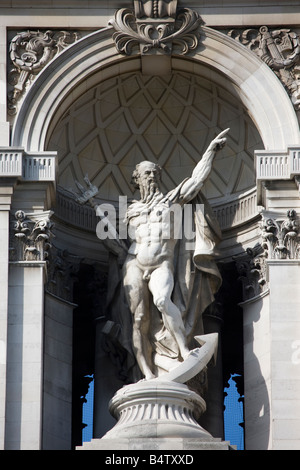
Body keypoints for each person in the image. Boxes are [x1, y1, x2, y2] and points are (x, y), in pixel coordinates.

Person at [122, 129, 228, 379]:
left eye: (154, 172)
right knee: (138, 320)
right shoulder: (130, 211)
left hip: (161, 264)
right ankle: (147, 374)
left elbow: (196, 180)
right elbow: (120, 245)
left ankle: (183, 350)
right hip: (133, 265)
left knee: (161, 300)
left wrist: (210, 151)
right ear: (136, 178)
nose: (151, 176)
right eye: (146, 172)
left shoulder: (170, 201)